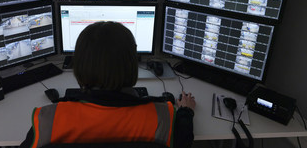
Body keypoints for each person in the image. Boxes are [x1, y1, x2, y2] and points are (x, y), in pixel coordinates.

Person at [20, 21, 195, 148]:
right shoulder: (164, 116)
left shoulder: (47, 119)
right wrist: (186, 112)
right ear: (132, 64)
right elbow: (184, 141)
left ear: (78, 65)